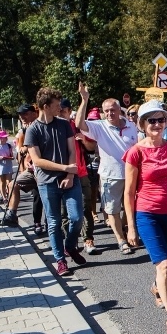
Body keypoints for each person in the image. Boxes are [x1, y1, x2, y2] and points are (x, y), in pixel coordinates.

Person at [123, 101, 167, 334]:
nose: (157, 124)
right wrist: (130, 227)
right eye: (151, 120)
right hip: (147, 214)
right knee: (165, 265)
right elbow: (129, 192)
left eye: (161, 119)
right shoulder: (136, 152)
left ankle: (157, 287)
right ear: (142, 124)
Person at [24, 87, 85, 276]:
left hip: (69, 179)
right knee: (54, 222)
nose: (60, 108)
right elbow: (37, 161)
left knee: (76, 218)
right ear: (45, 107)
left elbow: (72, 150)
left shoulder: (63, 124)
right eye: (57, 105)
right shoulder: (32, 130)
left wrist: (69, 174)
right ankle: (60, 260)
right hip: (47, 182)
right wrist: (64, 169)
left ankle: (70, 246)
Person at [75, 83, 138, 255]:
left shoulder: (131, 126)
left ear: (119, 110)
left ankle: (126, 229)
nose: (110, 113)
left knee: (131, 207)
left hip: (132, 175)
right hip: (111, 175)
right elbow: (79, 123)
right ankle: (121, 241)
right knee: (112, 209)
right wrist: (84, 99)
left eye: (113, 110)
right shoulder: (100, 126)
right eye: (107, 111)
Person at [60, 98, 97, 255]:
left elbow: (92, 147)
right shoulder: (53, 128)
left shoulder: (77, 126)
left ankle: (88, 239)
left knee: (85, 208)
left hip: (80, 173)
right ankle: (71, 241)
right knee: (64, 211)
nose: (60, 114)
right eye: (58, 111)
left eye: (63, 111)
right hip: (61, 175)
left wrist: (83, 140)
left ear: (69, 111)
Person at [5, 104, 45, 231]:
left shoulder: (41, 124)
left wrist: (25, 148)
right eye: (20, 114)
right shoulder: (26, 127)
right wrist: (27, 159)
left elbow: (40, 143)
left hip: (45, 169)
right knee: (12, 185)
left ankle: (48, 224)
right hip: (32, 169)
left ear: (34, 113)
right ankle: (12, 214)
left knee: (43, 198)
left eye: (25, 114)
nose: (22, 117)